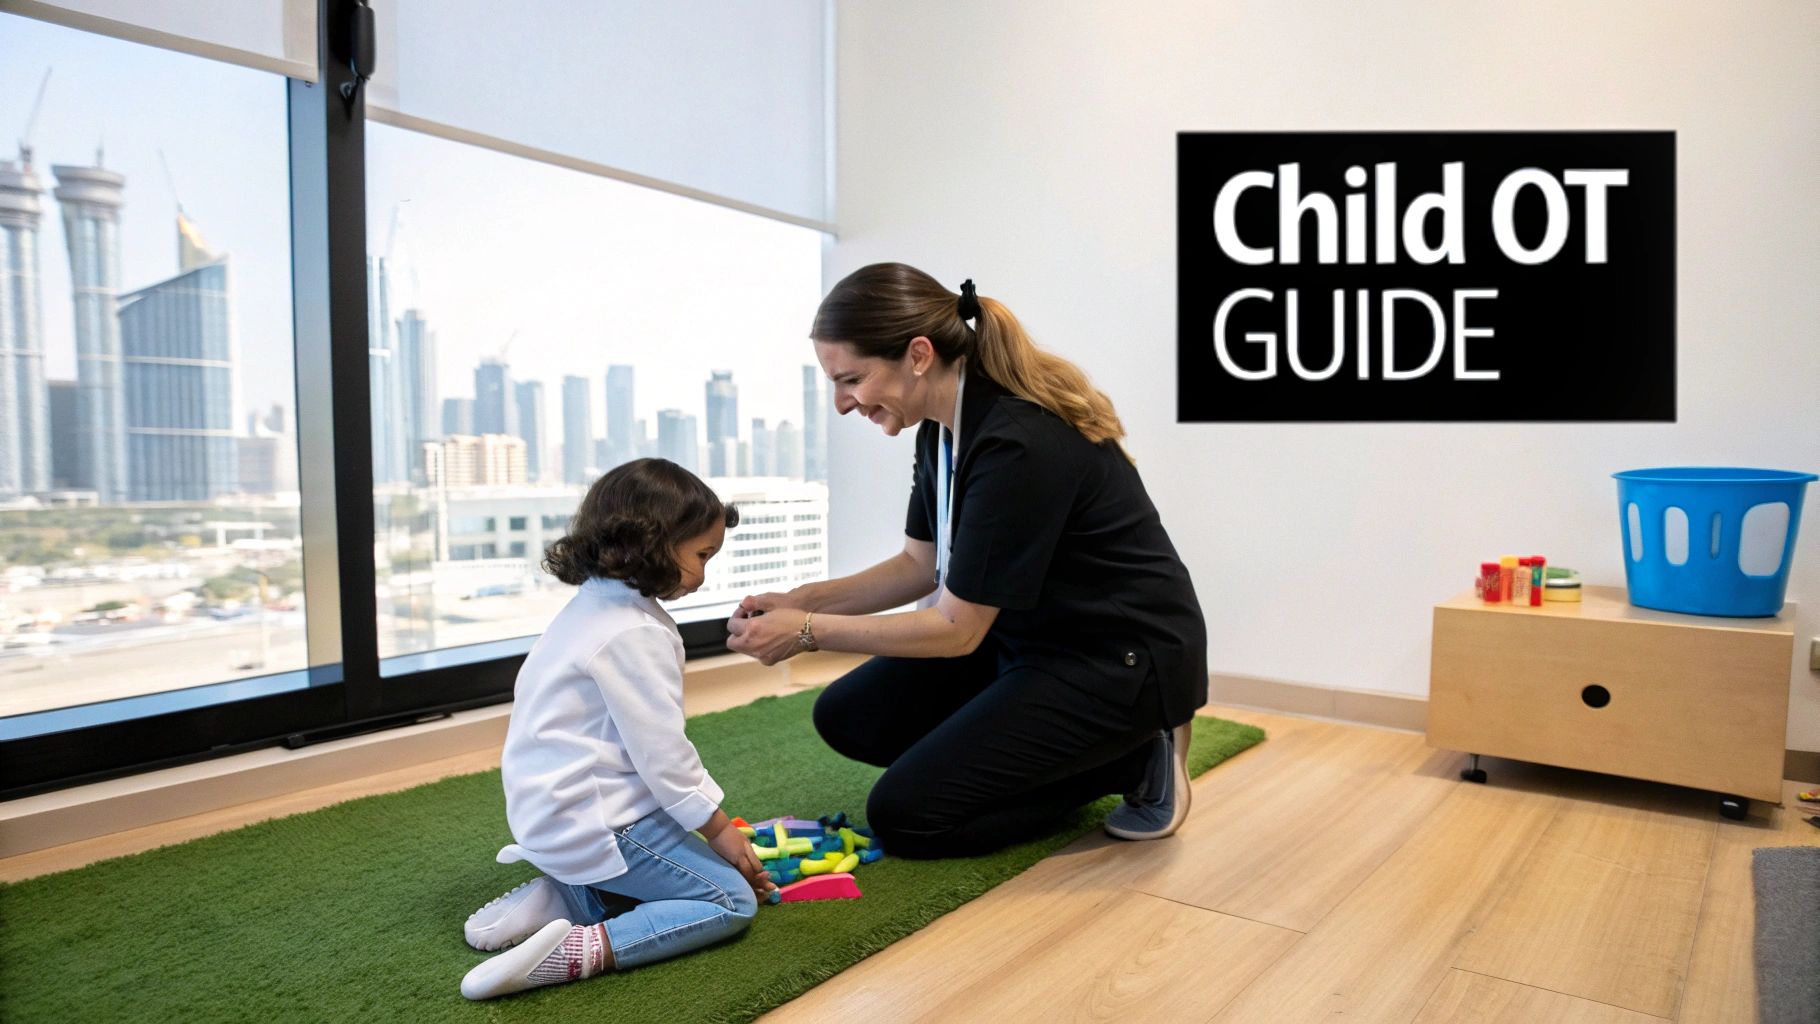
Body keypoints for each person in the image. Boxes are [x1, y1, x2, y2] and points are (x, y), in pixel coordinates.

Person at [727, 263, 1208, 859]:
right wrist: (804, 600)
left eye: (851, 379)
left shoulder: (1017, 442)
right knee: (848, 717)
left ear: (919, 355)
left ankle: (1134, 758)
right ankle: (1046, 744)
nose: (843, 404)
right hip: (1025, 640)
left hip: (1117, 661)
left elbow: (957, 631)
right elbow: (917, 566)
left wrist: (806, 631)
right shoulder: (943, 428)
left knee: (908, 818)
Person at [458, 459, 774, 1001]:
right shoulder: (631, 633)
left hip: (551, 813)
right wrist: (717, 828)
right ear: (650, 544)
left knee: (678, 873)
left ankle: (571, 892)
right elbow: (663, 756)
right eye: (701, 555)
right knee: (730, 901)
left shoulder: (595, 607)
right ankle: (581, 943)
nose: (704, 574)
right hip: (600, 819)